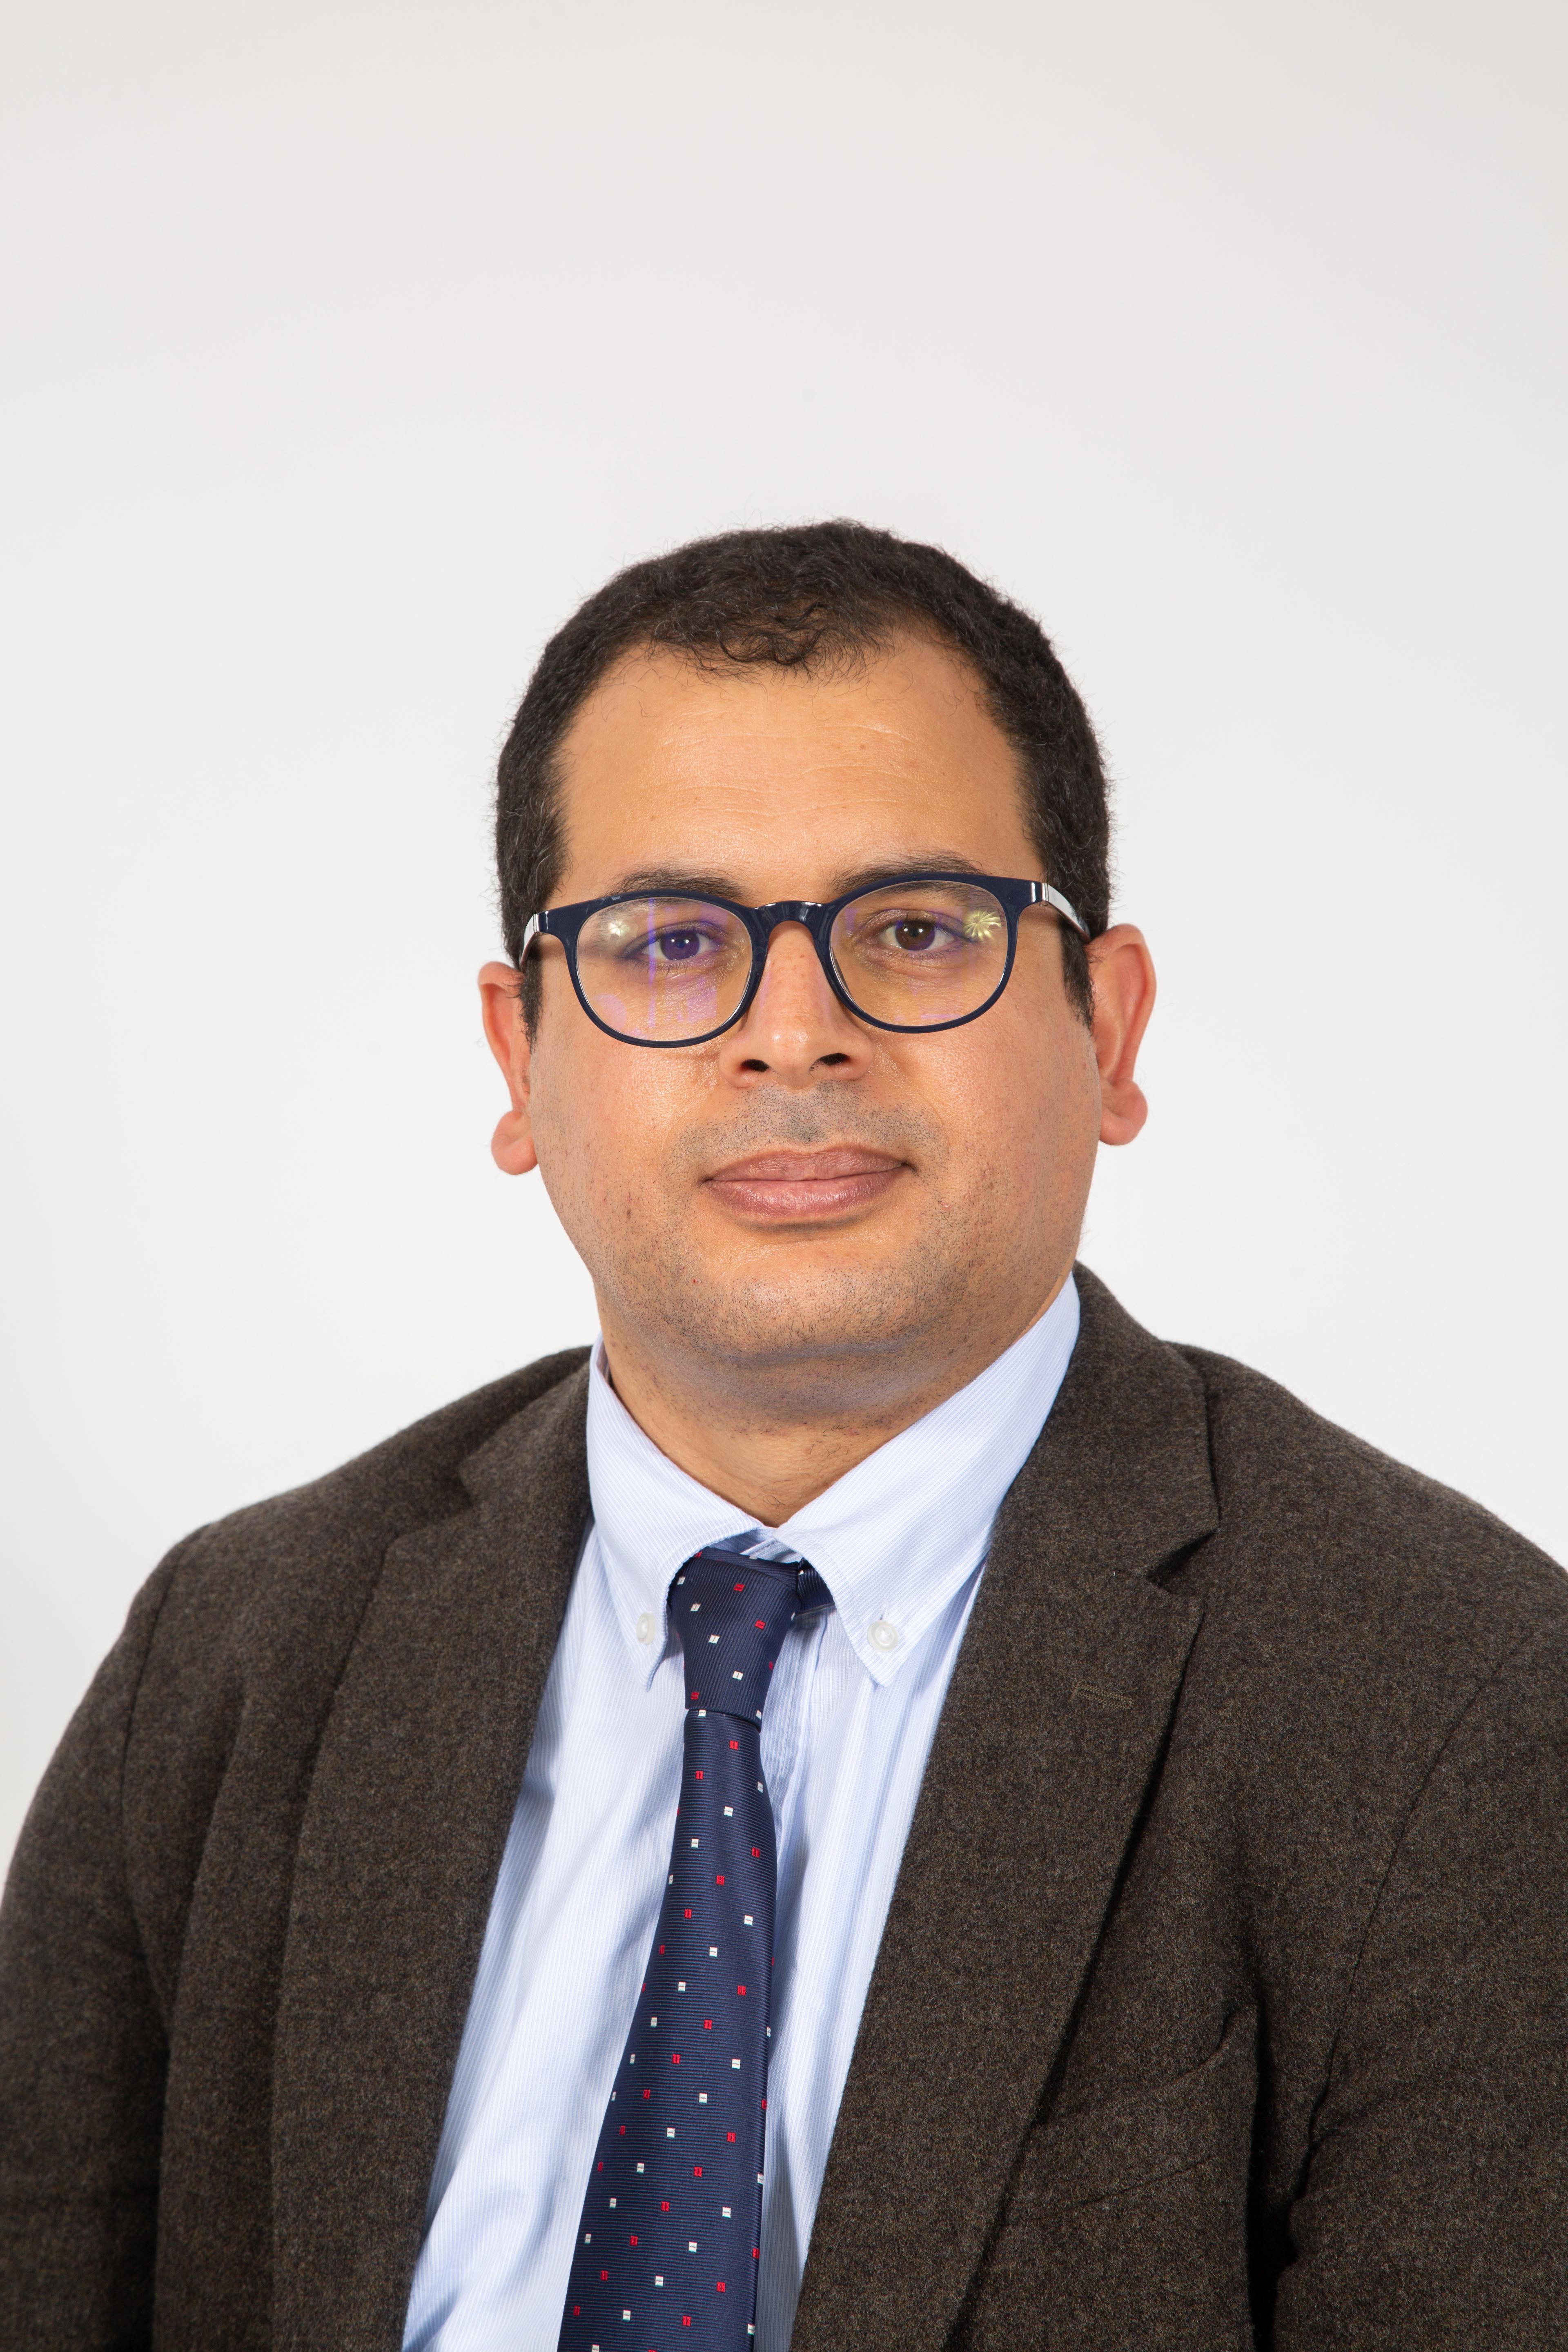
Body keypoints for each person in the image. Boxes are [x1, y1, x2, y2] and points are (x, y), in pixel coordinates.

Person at [1, 521, 1564, 2352]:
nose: (794, 1037)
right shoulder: (235, 1652)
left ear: (1111, 1029)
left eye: (915, 930)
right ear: (520, 1061)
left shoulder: (1456, 1707)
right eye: (673, 943)